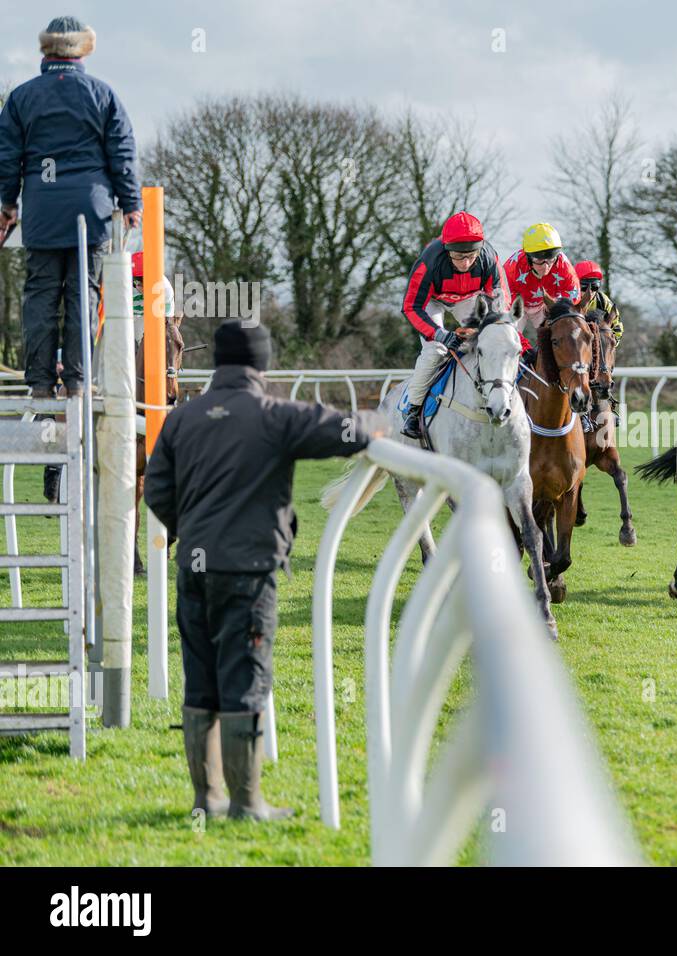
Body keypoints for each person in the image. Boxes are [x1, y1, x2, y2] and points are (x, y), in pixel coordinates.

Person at [143, 321, 377, 821]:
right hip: (248, 572)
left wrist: (190, 531)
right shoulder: (276, 414)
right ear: (262, 364)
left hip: (194, 566)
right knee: (245, 677)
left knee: (200, 678)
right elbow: (348, 432)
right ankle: (247, 804)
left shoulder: (184, 419)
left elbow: (157, 486)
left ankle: (206, 798)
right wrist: (371, 423)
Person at [0, 16, 141, 400]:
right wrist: (131, 203)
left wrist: (6, 205)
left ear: (45, 50)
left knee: (41, 296)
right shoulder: (102, 94)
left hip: (43, 213)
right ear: (83, 49)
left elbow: (8, 158)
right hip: (90, 213)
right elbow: (122, 153)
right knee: (85, 294)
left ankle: (41, 384)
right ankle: (78, 382)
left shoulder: (22, 98)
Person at [399, 210, 510, 439]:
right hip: (432, 302)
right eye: (459, 257)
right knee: (434, 351)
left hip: (468, 298)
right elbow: (411, 307)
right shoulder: (430, 261)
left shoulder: (489, 257)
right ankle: (413, 408)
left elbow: (500, 302)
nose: (466, 262)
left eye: (471, 255)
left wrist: (493, 329)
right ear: (447, 250)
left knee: (493, 344)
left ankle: (503, 400)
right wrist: (440, 335)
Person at [502, 222, 580, 332]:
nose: (545, 266)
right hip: (519, 304)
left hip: (544, 304)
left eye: (550, 259)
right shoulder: (513, 267)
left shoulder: (564, 266)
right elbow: (503, 295)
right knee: (509, 333)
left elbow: (574, 296)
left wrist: (554, 305)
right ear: (528, 257)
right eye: (539, 260)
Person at [574, 260, 623, 343]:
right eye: (584, 287)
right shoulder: (568, 299)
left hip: (598, 347)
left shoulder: (602, 300)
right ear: (576, 284)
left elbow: (617, 327)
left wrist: (609, 344)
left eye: (594, 286)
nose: (590, 292)